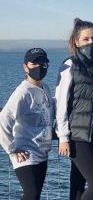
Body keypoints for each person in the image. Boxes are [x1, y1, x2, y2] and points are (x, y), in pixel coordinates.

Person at [55, 18, 93, 200]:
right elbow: (61, 103)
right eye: (86, 39)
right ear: (76, 41)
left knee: (78, 184)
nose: (92, 42)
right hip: (77, 135)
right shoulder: (70, 65)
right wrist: (63, 137)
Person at [0, 48, 54, 200]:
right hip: (25, 155)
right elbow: (4, 119)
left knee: (34, 196)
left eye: (43, 63)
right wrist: (12, 149)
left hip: (42, 153)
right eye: (34, 63)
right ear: (25, 67)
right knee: (31, 195)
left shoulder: (45, 88)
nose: (39, 67)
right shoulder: (23, 92)